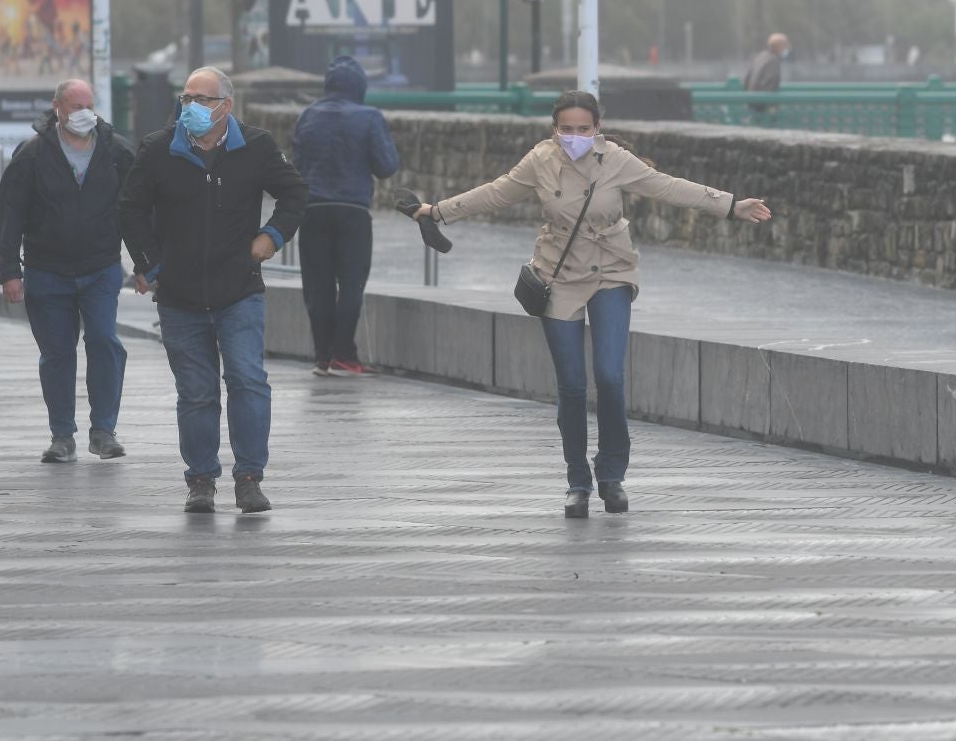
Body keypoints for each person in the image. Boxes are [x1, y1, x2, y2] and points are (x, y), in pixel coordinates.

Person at [412, 91, 772, 519]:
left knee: (610, 376)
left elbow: (669, 187)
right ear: (554, 129)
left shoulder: (616, 160)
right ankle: (577, 481)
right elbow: (496, 192)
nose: (576, 136)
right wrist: (436, 211)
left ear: (597, 128)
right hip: (558, 274)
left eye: (584, 128)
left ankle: (612, 475)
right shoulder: (540, 160)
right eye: (567, 129)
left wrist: (731, 205)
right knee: (571, 385)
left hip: (611, 271)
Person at [118, 67, 308, 514]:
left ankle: (249, 478)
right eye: (186, 98)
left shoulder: (256, 146)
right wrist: (149, 263)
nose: (191, 107)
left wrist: (271, 238)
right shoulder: (158, 148)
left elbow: (296, 193)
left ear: (226, 105)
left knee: (247, 381)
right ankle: (201, 480)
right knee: (197, 391)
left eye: (202, 99)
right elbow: (130, 209)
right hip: (180, 296)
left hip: (239, 289)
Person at [0, 78, 135, 464]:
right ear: (57, 108)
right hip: (47, 271)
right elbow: (10, 214)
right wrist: (9, 271)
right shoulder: (33, 154)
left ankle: (104, 431)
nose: (83, 113)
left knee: (105, 341)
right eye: (75, 106)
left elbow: (137, 211)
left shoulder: (117, 152)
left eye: (89, 104)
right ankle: (62, 435)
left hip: (101, 268)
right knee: (57, 353)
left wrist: (146, 264)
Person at [292, 55, 400, 376]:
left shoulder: (308, 115)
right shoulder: (369, 117)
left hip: (313, 210)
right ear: (360, 87)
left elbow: (294, 166)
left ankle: (322, 356)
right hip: (353, 212)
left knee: (317, 286)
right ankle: (345, 353)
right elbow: (386, 166)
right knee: (351, 285)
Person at [743, 32, 790, 116]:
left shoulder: (761, 56)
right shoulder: (773, 61)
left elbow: (747, 80)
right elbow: (770, 84)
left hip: (751, 103)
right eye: (785, 45)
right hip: (761, 107)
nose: (786, 48)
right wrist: (771, 106)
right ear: (778, 47)